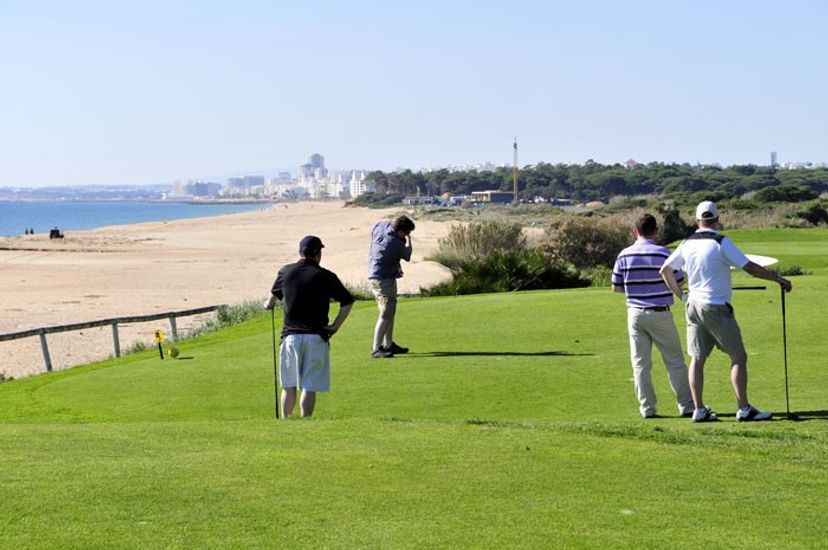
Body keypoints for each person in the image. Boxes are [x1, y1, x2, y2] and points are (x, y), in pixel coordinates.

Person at [660, 201, 793, 422]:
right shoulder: (721, 242)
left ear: (697, 221)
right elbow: (749, 267)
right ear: (718, 220)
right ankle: (743, 408)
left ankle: (699, 410)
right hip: (716, 306)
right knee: (738, 357)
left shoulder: (687, 242)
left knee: (697, 359)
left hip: (692, 305)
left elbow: (665, 271)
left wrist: (681, 295)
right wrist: (777, 279)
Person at [612, 214, 694, 418]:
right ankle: (687, 405)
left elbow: (616, 287)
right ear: (656, 231)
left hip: (635, 314)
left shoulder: (624, 255)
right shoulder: (664, 253)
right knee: (674, 361)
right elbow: (678, 280)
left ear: (635, 231)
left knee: (640, 364)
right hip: (660, 312)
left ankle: (647, 408)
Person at [264, 235, 354, 418]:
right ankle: (306, 422)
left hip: (290, 337)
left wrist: (269, 304)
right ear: (319, 254)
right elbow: (347, 301)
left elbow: (272, 297)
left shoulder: (285, 272)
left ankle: (287, 421)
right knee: (309, 386)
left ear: (300, 252)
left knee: (289, 386)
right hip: (316, 336)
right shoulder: (326, 276)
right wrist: (335, 326)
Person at [367, 215, 415, 358]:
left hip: (382, 275)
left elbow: (374, 229)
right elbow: (407, 256)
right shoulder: (394, 244)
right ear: (401, 231)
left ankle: (388, 344)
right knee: (386, 312)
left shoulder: (382, 225)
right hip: (382, 279)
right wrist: (409, 241)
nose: (407, 235)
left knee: (390, 311)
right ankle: (376, 348)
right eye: (407, 233)